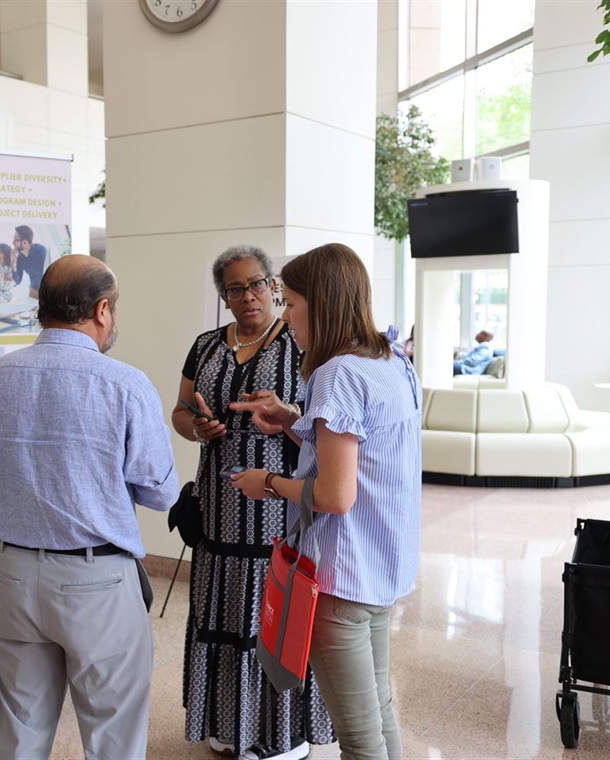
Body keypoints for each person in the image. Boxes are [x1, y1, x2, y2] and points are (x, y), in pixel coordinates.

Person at [0, 255, 180, 759]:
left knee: (19, 732)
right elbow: (161, 491)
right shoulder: (126, 384)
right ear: (102, 310)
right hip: (98, 581)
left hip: (14, 573)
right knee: (113, 735)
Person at [229, 243, 422, 760]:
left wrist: (266, 482)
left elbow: (336, 494)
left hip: (339, 577)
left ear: (324, 301)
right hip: (380, 570)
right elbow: (360, 456)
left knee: (359, 740)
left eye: (290, 302)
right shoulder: (392, 361)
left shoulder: (336, 374)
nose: (285, 316)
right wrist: (294, 421)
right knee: (379, 716)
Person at [172, 245, 331, 760]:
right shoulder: (205, 345)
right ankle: (226, 724)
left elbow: (324, 421)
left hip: (277, 511)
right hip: (219, 511)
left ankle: (278, 735)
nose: (248, 296)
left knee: (273, 623)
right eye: (234, 289)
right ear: (223, 296)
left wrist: (288, 415)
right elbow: (179, 410)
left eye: (257, 284)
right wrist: (197, 426)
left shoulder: (300, 345)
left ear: (274, 286)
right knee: (220, 619)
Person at [11, 224, 48, 300]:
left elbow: (48, 272)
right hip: (33, 290)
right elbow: (18, 281)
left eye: (15, 240)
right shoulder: (20, 258)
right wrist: (13, 263)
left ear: (25, 242)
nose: (13, 243)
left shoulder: (41, 250)